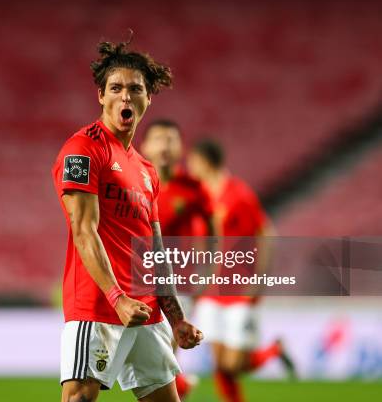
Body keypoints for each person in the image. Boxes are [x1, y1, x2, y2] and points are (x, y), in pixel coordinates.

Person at [51, 37, 203, 402]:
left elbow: (155, 250)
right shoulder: (84, 150)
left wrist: (177, 318)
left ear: (148, 98)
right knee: (80, 399)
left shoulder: (147, 170)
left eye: (136, 89)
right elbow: (84, 231)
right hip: (100, 305)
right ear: (101, 96)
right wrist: (117, 297)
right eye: (115, 88)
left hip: (146, 311)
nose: (125, 96)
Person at [187, 140, 295, 402]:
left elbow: (266, 234)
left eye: (193, 161)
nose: (189, 167)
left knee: (233, 364)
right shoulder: (200, 198)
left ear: (205, 161)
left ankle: (273, 350)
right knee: (221, 365)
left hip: (239, 288)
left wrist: (259, 280)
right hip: (212, 291)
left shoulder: (238, 193)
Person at [140, 119, 216, 399]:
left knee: (165, 351)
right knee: (154, 359)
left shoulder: (192, 187)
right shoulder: (133, 181)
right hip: (137, 281)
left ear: (181, 147)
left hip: (177, 282)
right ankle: (182, 386)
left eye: (171, 139)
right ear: (144, 146)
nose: (165, 145)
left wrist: (207, 271)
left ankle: (179, 388)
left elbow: (211, 231)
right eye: (159, 139)